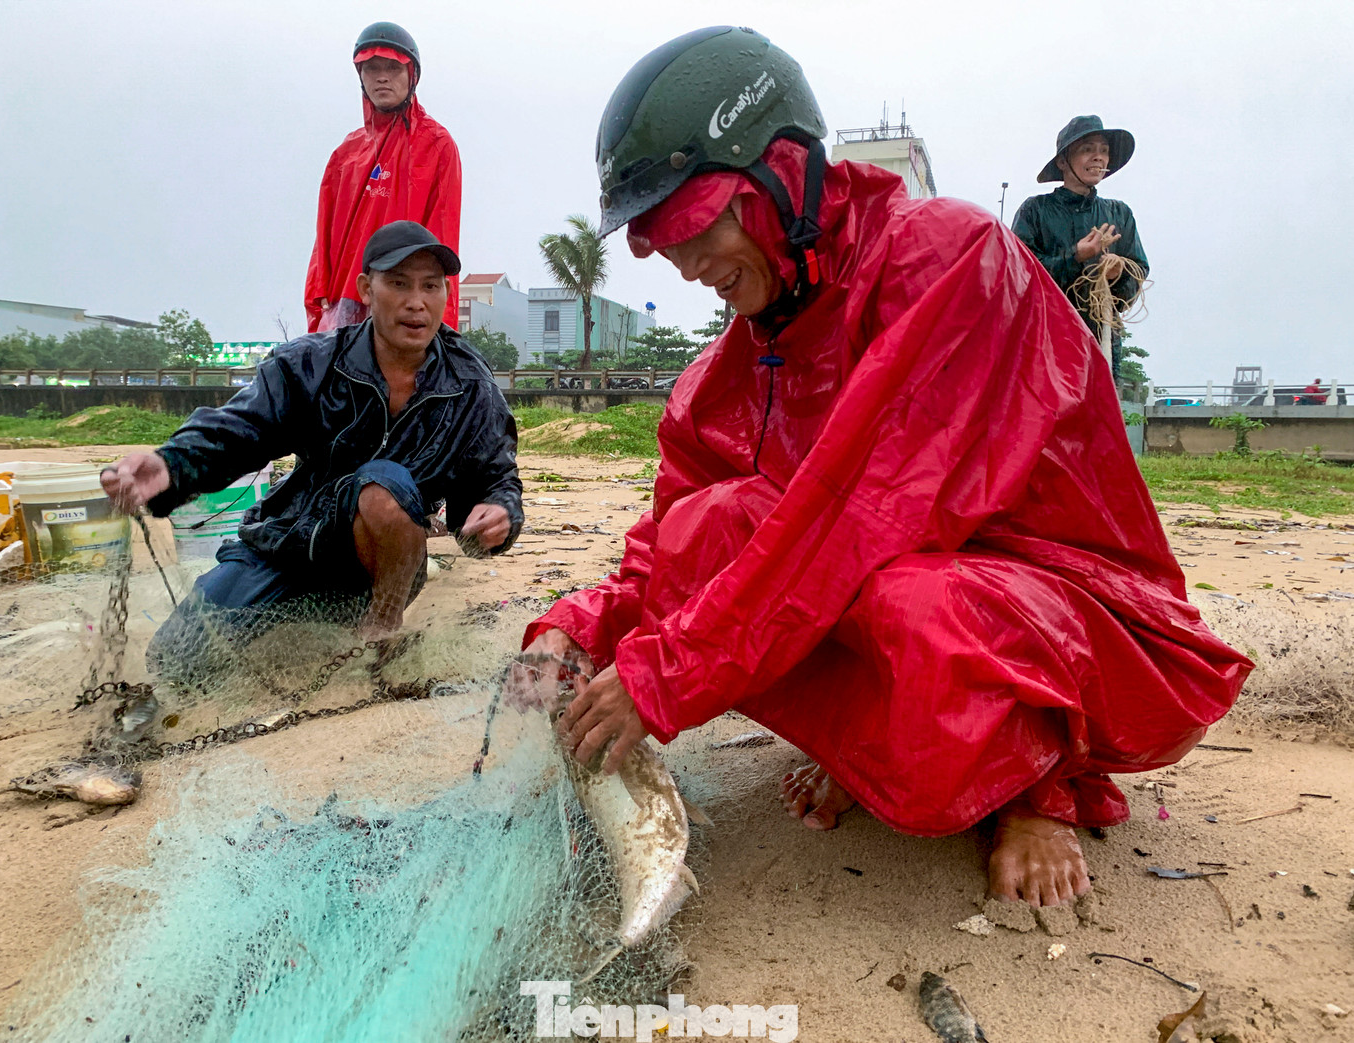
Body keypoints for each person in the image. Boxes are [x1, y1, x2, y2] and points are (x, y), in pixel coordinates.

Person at [507, 27, 1250, 909]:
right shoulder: (728, 372)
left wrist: (665, 675)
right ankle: (868, 750)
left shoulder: (947, 258)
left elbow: (862, 509)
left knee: (917, 611)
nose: (688, 264)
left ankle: (1034, 784)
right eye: (665, 245)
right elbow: (664, 554)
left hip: (1067, 601)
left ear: (780, 175)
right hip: (882, 563)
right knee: (714, 525)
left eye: (699, 226)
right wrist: (576, 631)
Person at [104, 221, 522, 680]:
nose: (416, 302)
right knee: (176, 661)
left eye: (431, 286)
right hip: (291, 542)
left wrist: (496, 511)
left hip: (379, 564)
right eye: (398, 284)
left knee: (385, 482)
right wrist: (172, 465)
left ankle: (381, 632)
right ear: (366, 288)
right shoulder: (311, 364)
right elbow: (241, 427)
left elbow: (492, 476)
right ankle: (302, 614)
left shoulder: (470, 384)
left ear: (446, 294)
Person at [304, 21, 462, 334]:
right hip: (346, 302)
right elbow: (323, 237)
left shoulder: (436, 144)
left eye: (392, 67)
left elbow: (442, 233)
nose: (382, 77)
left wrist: (436, 315)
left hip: (403, 299)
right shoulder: (344, 154)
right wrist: (319, 292)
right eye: (371, 68)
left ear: (411, 75)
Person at [1011, 115, 1148, 379]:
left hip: (1101, 341)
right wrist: (1075, 257)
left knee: (1099, 416)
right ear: (1063, 161)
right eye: (1087, 150)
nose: (1098, 157)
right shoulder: (1036, 210)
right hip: (1044, 341)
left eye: (1104, 151)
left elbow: (1138, 273)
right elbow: (1018, 275)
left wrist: (1116, 274)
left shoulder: (1119, 214)